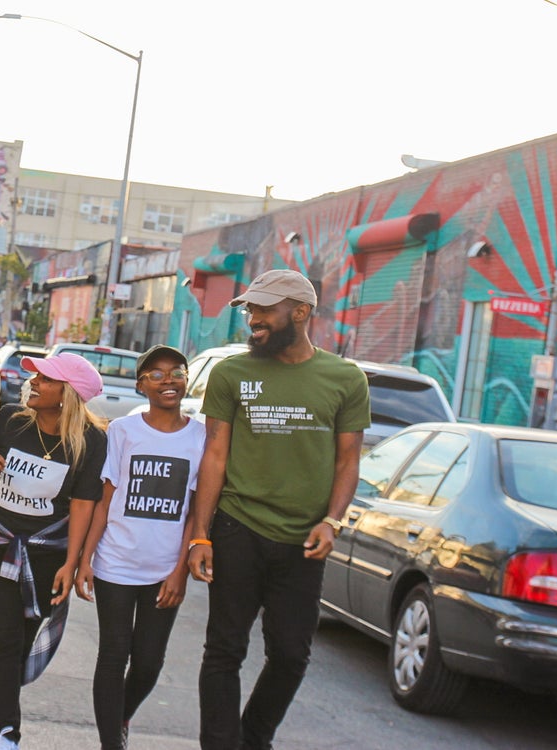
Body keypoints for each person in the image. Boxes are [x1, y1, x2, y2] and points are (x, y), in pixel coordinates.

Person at [187, 269, 370, 750]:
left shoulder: (345, 378)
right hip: (238, 528)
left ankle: (254, 739)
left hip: (303, 540)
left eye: (265, 309)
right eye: (251, 309)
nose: (254, 319)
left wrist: (332, 521)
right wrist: (201, 534)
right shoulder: (232, 373)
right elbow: (215, 455)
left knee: (291, 655)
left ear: (301, 312)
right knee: (224, 650)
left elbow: (348, 460)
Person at [0, 353, 108, 750]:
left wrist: (72, 563)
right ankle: (7, 732)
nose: (33, 382)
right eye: (35, 376)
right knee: (5, 640)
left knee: (23, 641)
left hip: (48, 555)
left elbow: (84, 503)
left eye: (45, 379)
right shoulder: (10, 418)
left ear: (68, 394)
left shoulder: (92, 441)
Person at [73, 345, 205, 750]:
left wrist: (180, 571)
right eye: (156, 375)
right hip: (116, 562)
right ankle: (111, 743)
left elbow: (195, 511)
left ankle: (122, 716)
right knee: (114, 655)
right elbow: (105, 500)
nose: (168, 381)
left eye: (176, 372)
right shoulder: (123, 431)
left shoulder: (201, 437)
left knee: (149, 661)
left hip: (164, 569)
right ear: (141, 386)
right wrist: (85, 560)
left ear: (187, 380)